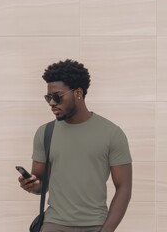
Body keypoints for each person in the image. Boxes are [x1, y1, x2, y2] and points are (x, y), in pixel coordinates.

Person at [18, 59, 132, 232]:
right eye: (48, 97)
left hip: (96, 225)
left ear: (78, 93)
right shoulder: (45, 132)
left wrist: (106, 230)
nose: (51, 103)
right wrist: (32, 185)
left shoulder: (112, 133)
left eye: (57, 96)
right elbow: (41, 185)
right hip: (53, 224)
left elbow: (124, 187)